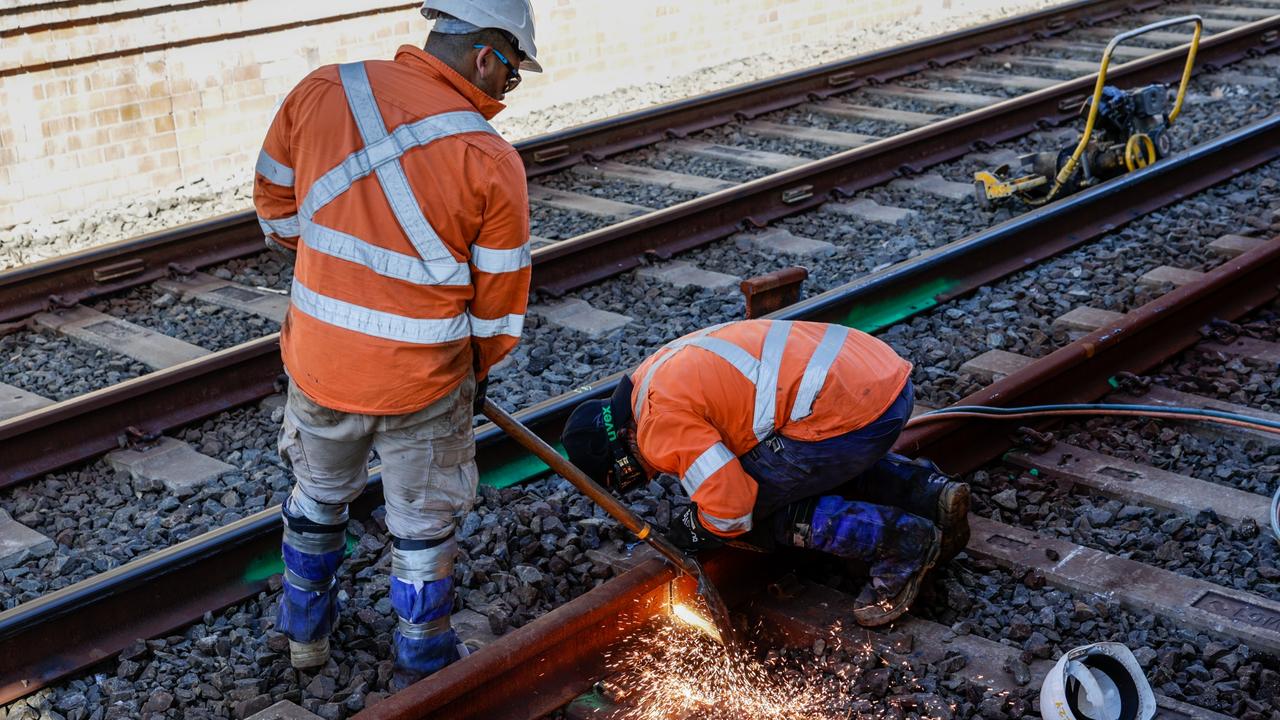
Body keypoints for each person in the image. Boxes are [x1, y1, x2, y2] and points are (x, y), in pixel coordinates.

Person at [252, 0, 540, 687]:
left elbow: (274, 209)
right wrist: (475, 374)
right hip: (424, 384)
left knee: (317, 497)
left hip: (320, 363)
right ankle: (423, 660)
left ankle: (305, 637)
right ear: (484, 55)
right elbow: (498, 310)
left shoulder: (322, 90)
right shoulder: (490, 158)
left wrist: (338, 272)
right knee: (422, 525)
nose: (509, 90)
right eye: (513, 72)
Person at [561, 319, 970, 626]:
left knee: (755, 514)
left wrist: (696, 528)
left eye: (628, 478)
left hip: (850, 415)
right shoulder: (649, 375)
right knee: (793, 465)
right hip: (883, 380)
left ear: (619, 456)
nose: (647, 478)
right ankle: (928, 493)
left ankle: (901, 543)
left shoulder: (655, 427)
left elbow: (732, 506)